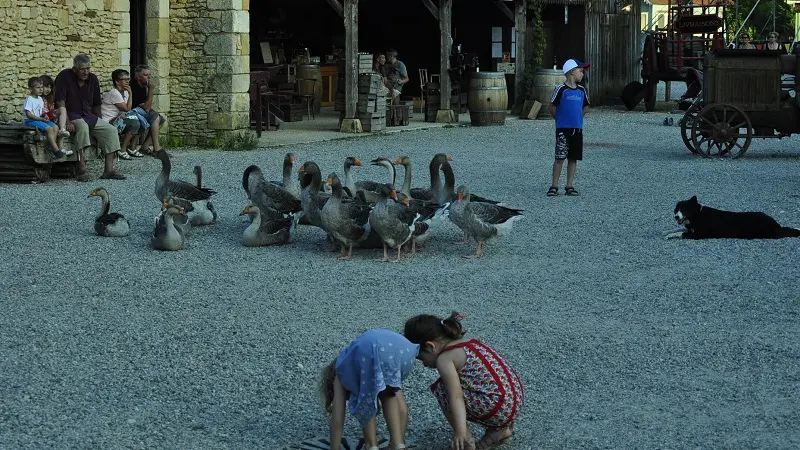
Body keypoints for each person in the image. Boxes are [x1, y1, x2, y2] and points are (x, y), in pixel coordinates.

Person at [404, 312, 524, 450]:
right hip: (513, 401)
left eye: (421, 358)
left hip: (496, 406)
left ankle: (466, 441)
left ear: (431, 346)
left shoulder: (445, 358)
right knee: (472, 384)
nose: (424, 364)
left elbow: (456, 396)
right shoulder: (471, 343)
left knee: (442, 389)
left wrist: (459, 431)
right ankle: (498, 431)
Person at [320, 329, 418, 450]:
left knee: (364, 398)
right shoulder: (358, 361)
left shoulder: (341, 372)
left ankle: (371, 445)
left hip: (369, 349)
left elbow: (337, 418)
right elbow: (402, 409)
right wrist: (398, 440)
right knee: (388, 395)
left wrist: (334, 448)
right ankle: (398, 444)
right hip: (402, 351)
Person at [54, 54, 126, 181]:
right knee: (82, 127)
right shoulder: (64, 76)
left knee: (111, 130)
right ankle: (81, 169)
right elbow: (60, 102)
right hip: (71, 114)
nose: (85, 71)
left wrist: (101, 120)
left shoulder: (92, 79)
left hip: (88, 115)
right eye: (82, 69)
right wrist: (67, 121)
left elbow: (96, 103)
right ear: (74, 69)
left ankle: (109, 170)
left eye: (88, 68)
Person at [546, 58, 590, 197]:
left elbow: (586, 105)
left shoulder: (582, 90)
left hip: (577, 129)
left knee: (573, 158)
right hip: (563, 130)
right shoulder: (561, 89)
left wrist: (578, 117)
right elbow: (551, 106)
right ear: (571, 72)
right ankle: (554, 185)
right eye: (581, 71)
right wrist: (559, 119)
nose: (582, 74)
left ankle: (569, 185)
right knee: (560, 157)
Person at [101, 69, 146, 160]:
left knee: (142, 120)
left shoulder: (125, 92)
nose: (127, 81)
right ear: (117, 81)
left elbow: (126, 109)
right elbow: (127, 108)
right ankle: (122, 149)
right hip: (109, 121)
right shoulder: (115, 93)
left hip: (118, 118)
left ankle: (132, 148)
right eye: (124, 79)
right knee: (134, 122)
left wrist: (128, 95)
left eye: (128, 79)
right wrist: (131, 93)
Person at [23, 76, 72, 159]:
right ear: (31, 89)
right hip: (30, 120)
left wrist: (45, 115)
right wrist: (41, 119)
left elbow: (42, 111)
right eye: (38, 87)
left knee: (55, 127)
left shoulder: (39, 99)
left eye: (41, 87)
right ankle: (56, 150)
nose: (41, 89)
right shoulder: (29, 99)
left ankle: (51, 145)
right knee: (49, 129)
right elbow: (29, 114)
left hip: (39, 119)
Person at [130, 64, 167, 155]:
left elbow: (146, 106)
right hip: (133, 112)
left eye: (149, 75)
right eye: (146, 75)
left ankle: (145, 146)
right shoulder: (134, 86)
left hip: (141, 110)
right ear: (138, 77)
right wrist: (151, 90)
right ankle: (157, 149)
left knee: (161, 120)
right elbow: (147, 108)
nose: (149, 77)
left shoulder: (142, 85)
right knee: (155, 117)